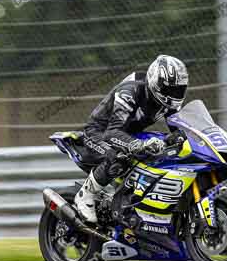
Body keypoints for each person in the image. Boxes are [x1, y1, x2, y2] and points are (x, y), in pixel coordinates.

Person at [72, 54, 189, 223]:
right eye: (172, 89)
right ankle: (86, 194)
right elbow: (112, 132)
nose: (175, 94)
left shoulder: (167, 102)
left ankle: (132, 203)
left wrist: (180, 137)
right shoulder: (130, 91)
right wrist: (137, 144)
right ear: (156, 82)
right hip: (99, 133)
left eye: (179, 89)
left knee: (162, 153)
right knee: (119, 157)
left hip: (128, 134)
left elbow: (179, 129)